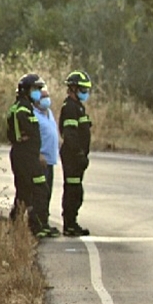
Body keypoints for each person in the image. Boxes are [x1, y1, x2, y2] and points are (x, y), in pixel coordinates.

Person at [7, 73, 56, 238]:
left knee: (25, 192)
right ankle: (37, 225)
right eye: (35, 89)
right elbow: (15, 133)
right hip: (25, 156)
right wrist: (22, 139)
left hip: (30, 155)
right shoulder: (21, 108)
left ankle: (17, 225)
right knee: (39, 188)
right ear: (25, 90)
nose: (38, 92)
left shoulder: (27, 107)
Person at [59, 70, 93, 236]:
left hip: (78, 157)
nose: (85, 93)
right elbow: (69, 134)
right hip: (72, 157)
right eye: (82, 90)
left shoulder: (78, 107)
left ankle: (72, 223)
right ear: (72, 88)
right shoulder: (70, 108)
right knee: (73, 191)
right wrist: (79, 154)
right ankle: (69, 224)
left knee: (76, 190)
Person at [32, 84, 60, 232]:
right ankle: (37, 223)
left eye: (47, 96)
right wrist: (38, 153)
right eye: (43, 97)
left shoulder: (48, 113)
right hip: (40, 160)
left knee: (47, 193)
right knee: (40, 193)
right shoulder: (33, 114)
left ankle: (44, 222)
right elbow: (31, 138)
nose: (46, 99)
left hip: (50, 160)